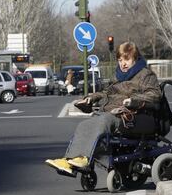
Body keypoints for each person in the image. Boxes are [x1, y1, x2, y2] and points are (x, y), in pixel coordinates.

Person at [45, 42, 162, 175]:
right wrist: (91, 98)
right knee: (84, 124)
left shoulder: (146, 75)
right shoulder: (118, 76)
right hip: (111, 112)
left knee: (103, 121)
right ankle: (71, 161)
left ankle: (84, 159)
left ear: (135, 58)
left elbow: (154, 95)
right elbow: (106, 93)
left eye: (127, 60)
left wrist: (133, 101)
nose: (123, 64)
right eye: (120, 60)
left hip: (133, 115)